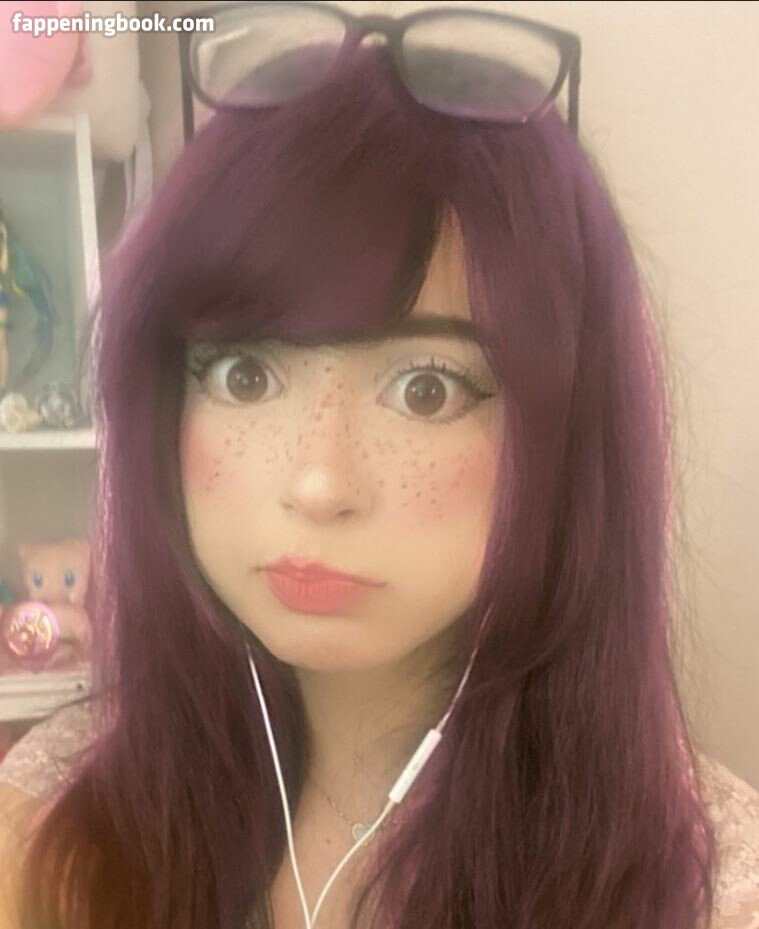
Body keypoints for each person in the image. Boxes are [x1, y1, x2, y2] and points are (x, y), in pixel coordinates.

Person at [1, 6, 758, 929]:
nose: (318, 483)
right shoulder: (52, 827)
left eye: (426, 389)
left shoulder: (702, 891)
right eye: (245, 374)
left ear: (563, 437)